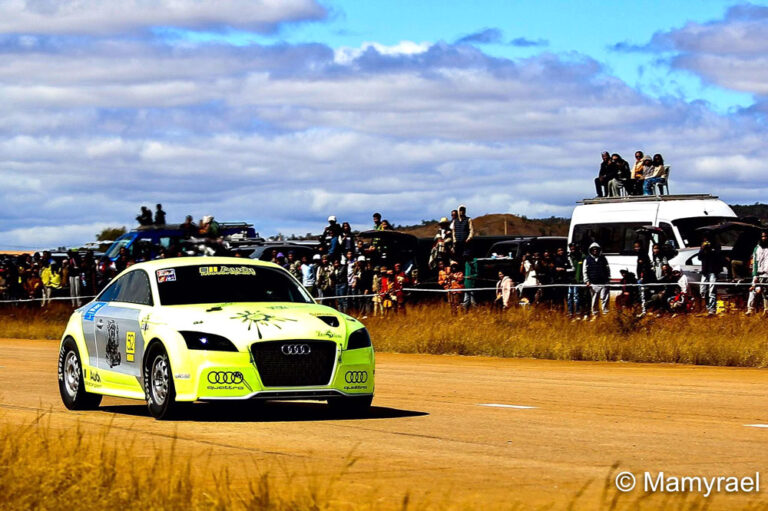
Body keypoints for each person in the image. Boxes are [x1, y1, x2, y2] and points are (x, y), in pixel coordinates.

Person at [584, 242, 610, 319]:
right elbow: (584, 271)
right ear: (591, 250)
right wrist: (587, 281)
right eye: (593, 249)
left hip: (603, 283)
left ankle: (606, 315)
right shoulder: (587, 259)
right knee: (594, 300)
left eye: (596, 249)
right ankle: (595, 315)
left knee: (604, 299)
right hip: (593, 283)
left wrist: (608, 279)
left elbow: (607, 269)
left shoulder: (603, 259)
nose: (595, 251)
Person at [698, 235, 722, 315]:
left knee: (712, 291)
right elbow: (699, 257)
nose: (706, 242)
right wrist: (703, 248)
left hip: (713, 271)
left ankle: (712, 309)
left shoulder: (716, 246)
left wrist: (711, 249)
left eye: (707, 240)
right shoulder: (703, 247)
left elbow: (718, 256)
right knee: (702, 290)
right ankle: (706, 307)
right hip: (704, 271)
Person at [746, 230, 768, 315]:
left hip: (767, 274)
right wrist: (755, 275)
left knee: (766, 292)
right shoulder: (757, 249)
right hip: (758, 273)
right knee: (753, 290)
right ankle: (750, 309)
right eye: (762, 236)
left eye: (765, 236)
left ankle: (766, 310)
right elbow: (754, 263)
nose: (764, 238)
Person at [634, 240, 655, 317]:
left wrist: (642, 277)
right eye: (635, 247)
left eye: (638, 247)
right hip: (642, 277)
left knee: (643, 295)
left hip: (643, 278)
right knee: (643, 295)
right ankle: (644, 310)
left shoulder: (643, 254)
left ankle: (644, 311)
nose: (636, 248)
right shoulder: (640, 254)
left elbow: (644, 267)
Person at [566, 243, 583, 319]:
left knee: (576, 297)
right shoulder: (568, 256)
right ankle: (570, 313)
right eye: (571, 248)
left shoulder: (580, 256)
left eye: (573, 248)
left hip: (576, 280)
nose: (572, 249)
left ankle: (577, 313)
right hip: (569, 280)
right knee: (569, 296)